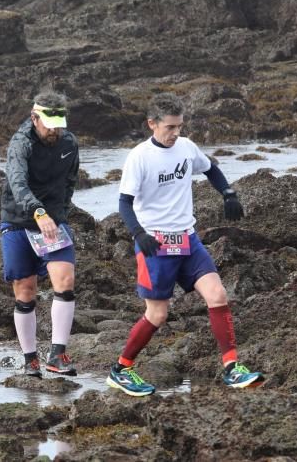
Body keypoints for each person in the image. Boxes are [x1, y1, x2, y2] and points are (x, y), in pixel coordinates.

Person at [106, 93, 264, 397]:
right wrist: (139, 234)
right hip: (155, 243)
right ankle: (121, 369)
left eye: (180, 126)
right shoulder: (139, 157)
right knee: (158, 315)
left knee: (217, 295)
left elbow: (210, 168)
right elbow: (124, 203)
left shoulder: (186, 147)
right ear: (151, 124)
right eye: (170, 127)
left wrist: (228, 193)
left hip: (188, 239)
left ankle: (232, 368)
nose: (176, 133)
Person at [0, 93, 80, 377]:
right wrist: (38, 212)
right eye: (48, 125)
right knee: (25, 291)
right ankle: (30, 359)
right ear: (34, 118)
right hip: (19, 222)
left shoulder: (69, 143)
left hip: (53, 222)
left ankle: (57, 355)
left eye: (59, 124)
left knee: (65, 281)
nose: (54, 131)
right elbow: (17, 182)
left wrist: (58, 213)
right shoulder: (20, 144)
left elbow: (71, 181)